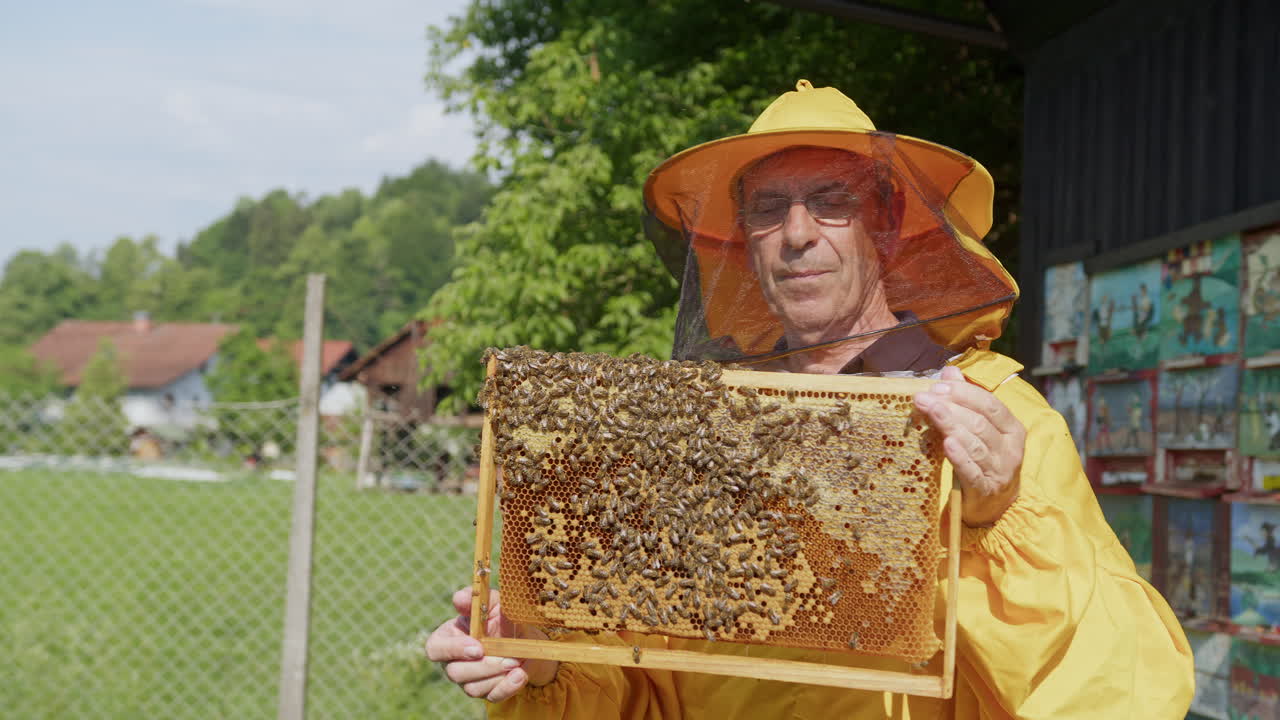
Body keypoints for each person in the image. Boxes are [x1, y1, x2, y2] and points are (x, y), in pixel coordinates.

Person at [426, 80, 1194, 718]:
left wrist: (997, 521)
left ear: (888, 226)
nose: (797, 234)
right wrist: (549, 671)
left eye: (832, 202)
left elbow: (1125, 691)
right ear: (743, 241)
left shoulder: (997, 420)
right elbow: (651, 690)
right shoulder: (700, 431)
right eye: (768, 208)